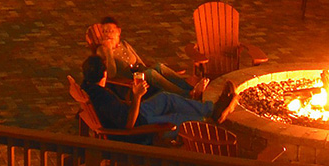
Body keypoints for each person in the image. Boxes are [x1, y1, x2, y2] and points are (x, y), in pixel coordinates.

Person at [75, 56, 231, 137]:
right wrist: (136, 96)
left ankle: (211, 109)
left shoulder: (89, 87)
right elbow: (129, 124)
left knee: (166, 98)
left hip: (137, 112)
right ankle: (210, 122)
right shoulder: (102, 97)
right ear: (104, 74)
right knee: (176, 118)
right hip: (139, 126)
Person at [85, 18, 191, 96]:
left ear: (118, 32)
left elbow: (140, 63)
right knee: (150, 73)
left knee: (158, 66)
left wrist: (150, 72)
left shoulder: (124, 44)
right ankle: (186, 95)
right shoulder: (102, 50)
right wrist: (109, 51)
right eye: (104, 31)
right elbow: (111, 75)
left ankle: (190, 89)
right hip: (128, 85)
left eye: (111, 31)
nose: (108, 34)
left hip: (142, 77)